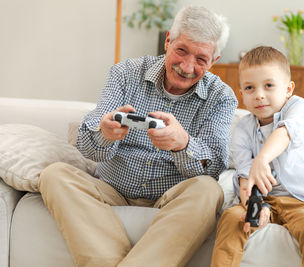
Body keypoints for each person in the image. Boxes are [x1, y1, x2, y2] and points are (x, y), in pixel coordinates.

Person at [38, 6, 237, 267]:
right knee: (54, 175)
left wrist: (183, 144)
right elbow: (87, 145)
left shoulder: (221, 97)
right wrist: (105, 133)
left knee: (209, 191)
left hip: (171, 198)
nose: (187, 67)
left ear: (214, 60)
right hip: (110, 189)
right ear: (168, 41)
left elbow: (214, 166)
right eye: (181, 51)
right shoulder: (125, 73)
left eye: (201, 59)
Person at [210, 46, 304, 267]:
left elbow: (285, 132)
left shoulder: (297, 108)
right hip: (262, 199)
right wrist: (253, 205)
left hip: (301, 200)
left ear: (288, 89)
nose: (259, 94)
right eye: (250, 88)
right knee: (232, 219)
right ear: (242, 94)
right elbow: (244, 175)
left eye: (269, 85)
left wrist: (261, 160)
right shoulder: (243, 128)